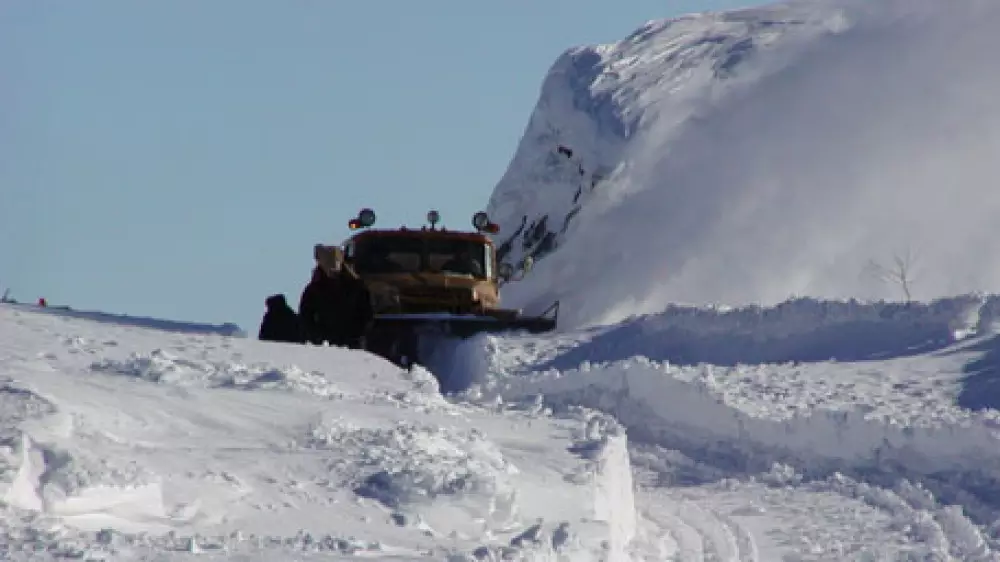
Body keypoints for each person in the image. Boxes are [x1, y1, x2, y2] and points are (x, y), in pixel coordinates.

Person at [299, 245, 373, 348]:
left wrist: (357, 335)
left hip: (352, 344)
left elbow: (366, 314)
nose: (332, 272)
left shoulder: (356, 286)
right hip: (325, 345)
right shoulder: (314, 289)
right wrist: (317, 337)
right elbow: (305, 317)